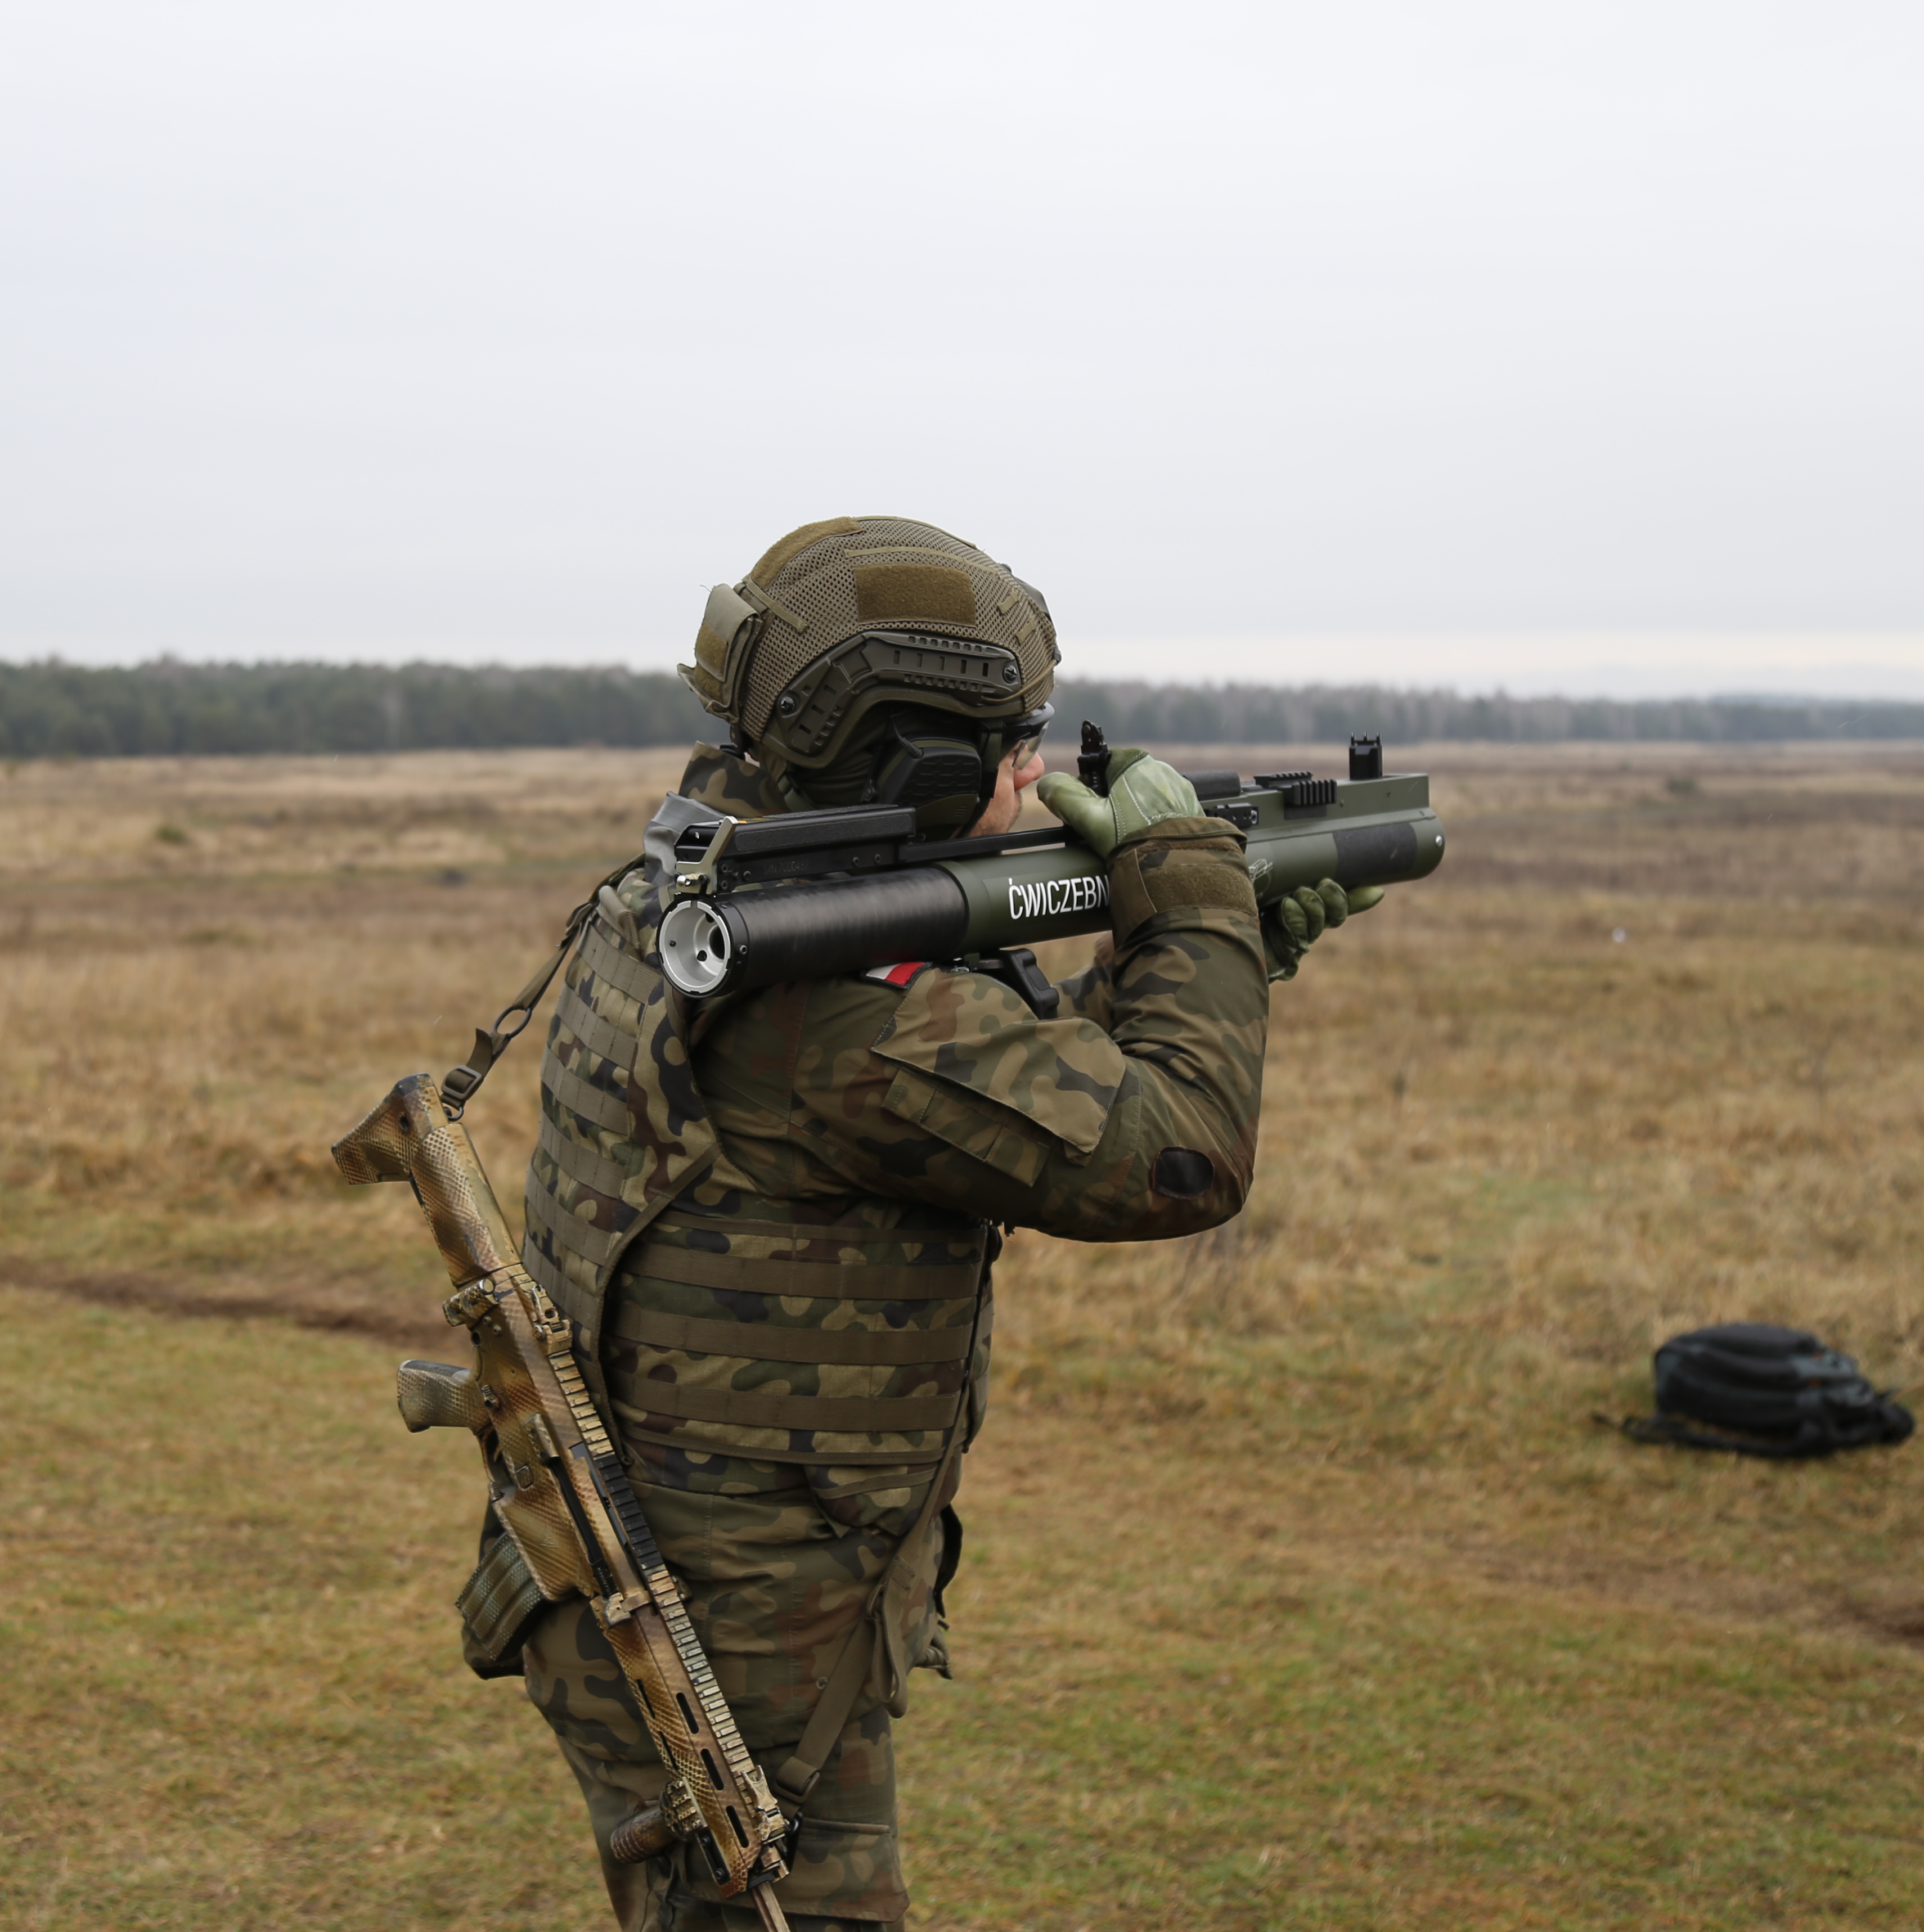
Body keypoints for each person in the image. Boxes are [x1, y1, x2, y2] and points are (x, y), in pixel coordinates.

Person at [462, 516, 1359, 1929]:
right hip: (733, 1667)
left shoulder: (700, 893)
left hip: (643, 1585)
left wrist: (1215, 956)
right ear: (920, 772)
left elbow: (993, 1097)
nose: (1036, 775)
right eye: (1017, 746)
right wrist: (1187, 901)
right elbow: (1172, 1156)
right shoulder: (837, 1001)